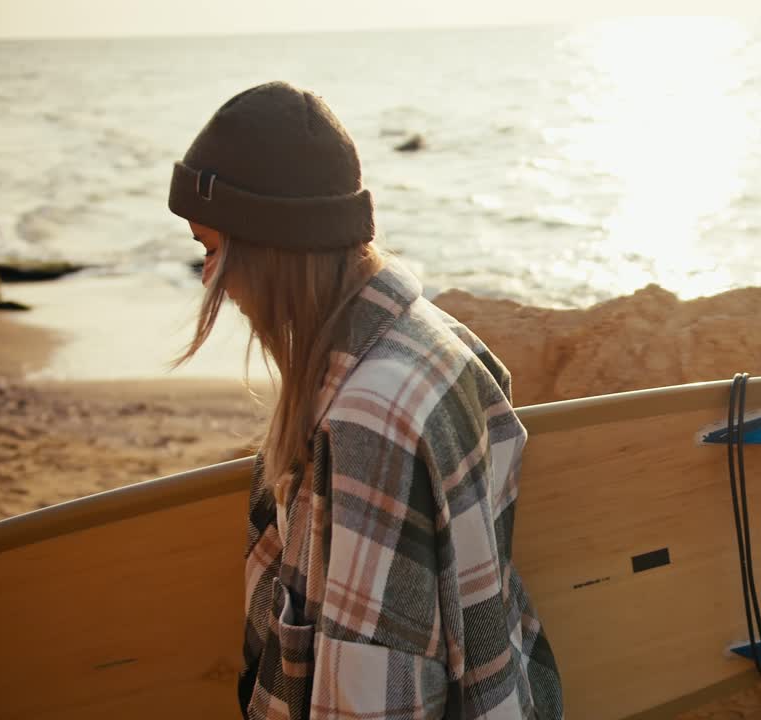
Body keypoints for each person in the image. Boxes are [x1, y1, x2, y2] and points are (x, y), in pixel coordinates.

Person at [169, 81, 563, 720]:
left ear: (273, 249)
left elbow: (372, 689)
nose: (210, 278)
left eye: (214, 251)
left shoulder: (366, 420)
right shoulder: (439, 339)